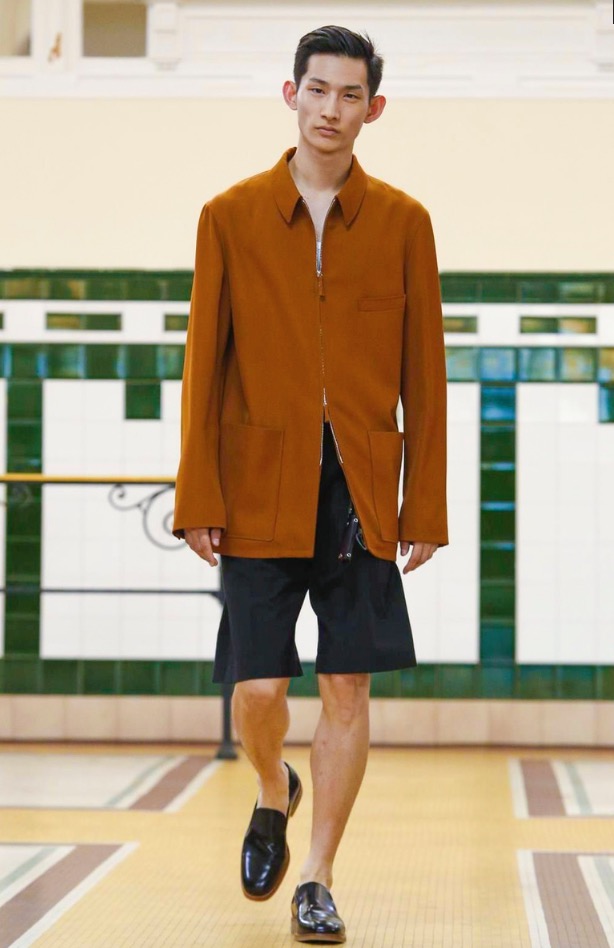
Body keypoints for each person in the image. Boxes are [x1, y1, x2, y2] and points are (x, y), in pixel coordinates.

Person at [173, 24, 448, 944]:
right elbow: (204, 365)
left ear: (375, 108)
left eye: (350, 95)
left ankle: (319, 876)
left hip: (361, 492)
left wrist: (424, 504)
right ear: (290, 95)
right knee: (257, 688)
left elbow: (426, 374)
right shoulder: (230, 215)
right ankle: (271, 786)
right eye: (317, 90)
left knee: (346, 689)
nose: (332, 109)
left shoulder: (405, 222)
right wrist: (198, 497)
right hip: (257, 484)